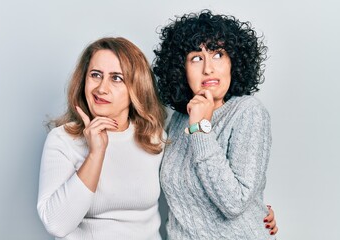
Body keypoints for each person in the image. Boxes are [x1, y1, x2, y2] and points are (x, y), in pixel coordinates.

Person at [153, 10, 278, 239]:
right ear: (182, 69)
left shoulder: (248, 111)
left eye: (218, 54)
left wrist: (201, 128)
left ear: (233, 62)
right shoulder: (179, 119)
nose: (208, 68)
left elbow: (234, 202)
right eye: (196, 58)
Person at [37, 37, 167, 239]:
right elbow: (57, 224)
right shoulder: (63, 139)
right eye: (95, 75)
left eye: (116, 78)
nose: (101, 89)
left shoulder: (153, 137)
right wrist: (95, 153)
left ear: (136, 87)